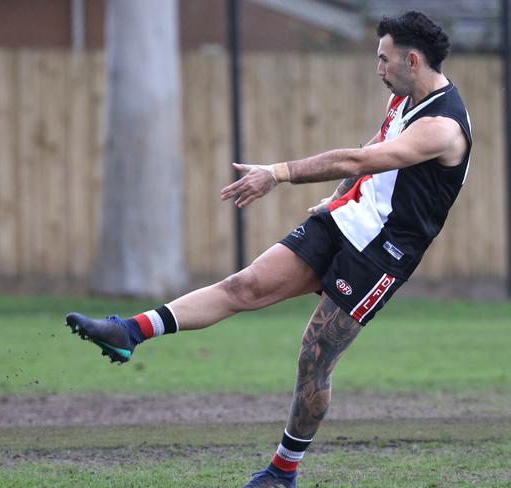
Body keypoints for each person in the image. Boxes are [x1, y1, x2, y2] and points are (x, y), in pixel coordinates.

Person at [65, 11, 471, 488]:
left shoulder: (442, 126)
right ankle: (128, 332)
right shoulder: (405, 98)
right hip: (344, 221)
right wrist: (340, 197)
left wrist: (277, 173)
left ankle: (282, 472)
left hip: (381, 253)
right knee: (245, 284)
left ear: (413, 60)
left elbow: (361, 158)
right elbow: (370, 150)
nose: (378, 68)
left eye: (384, 60)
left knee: (314, 356)